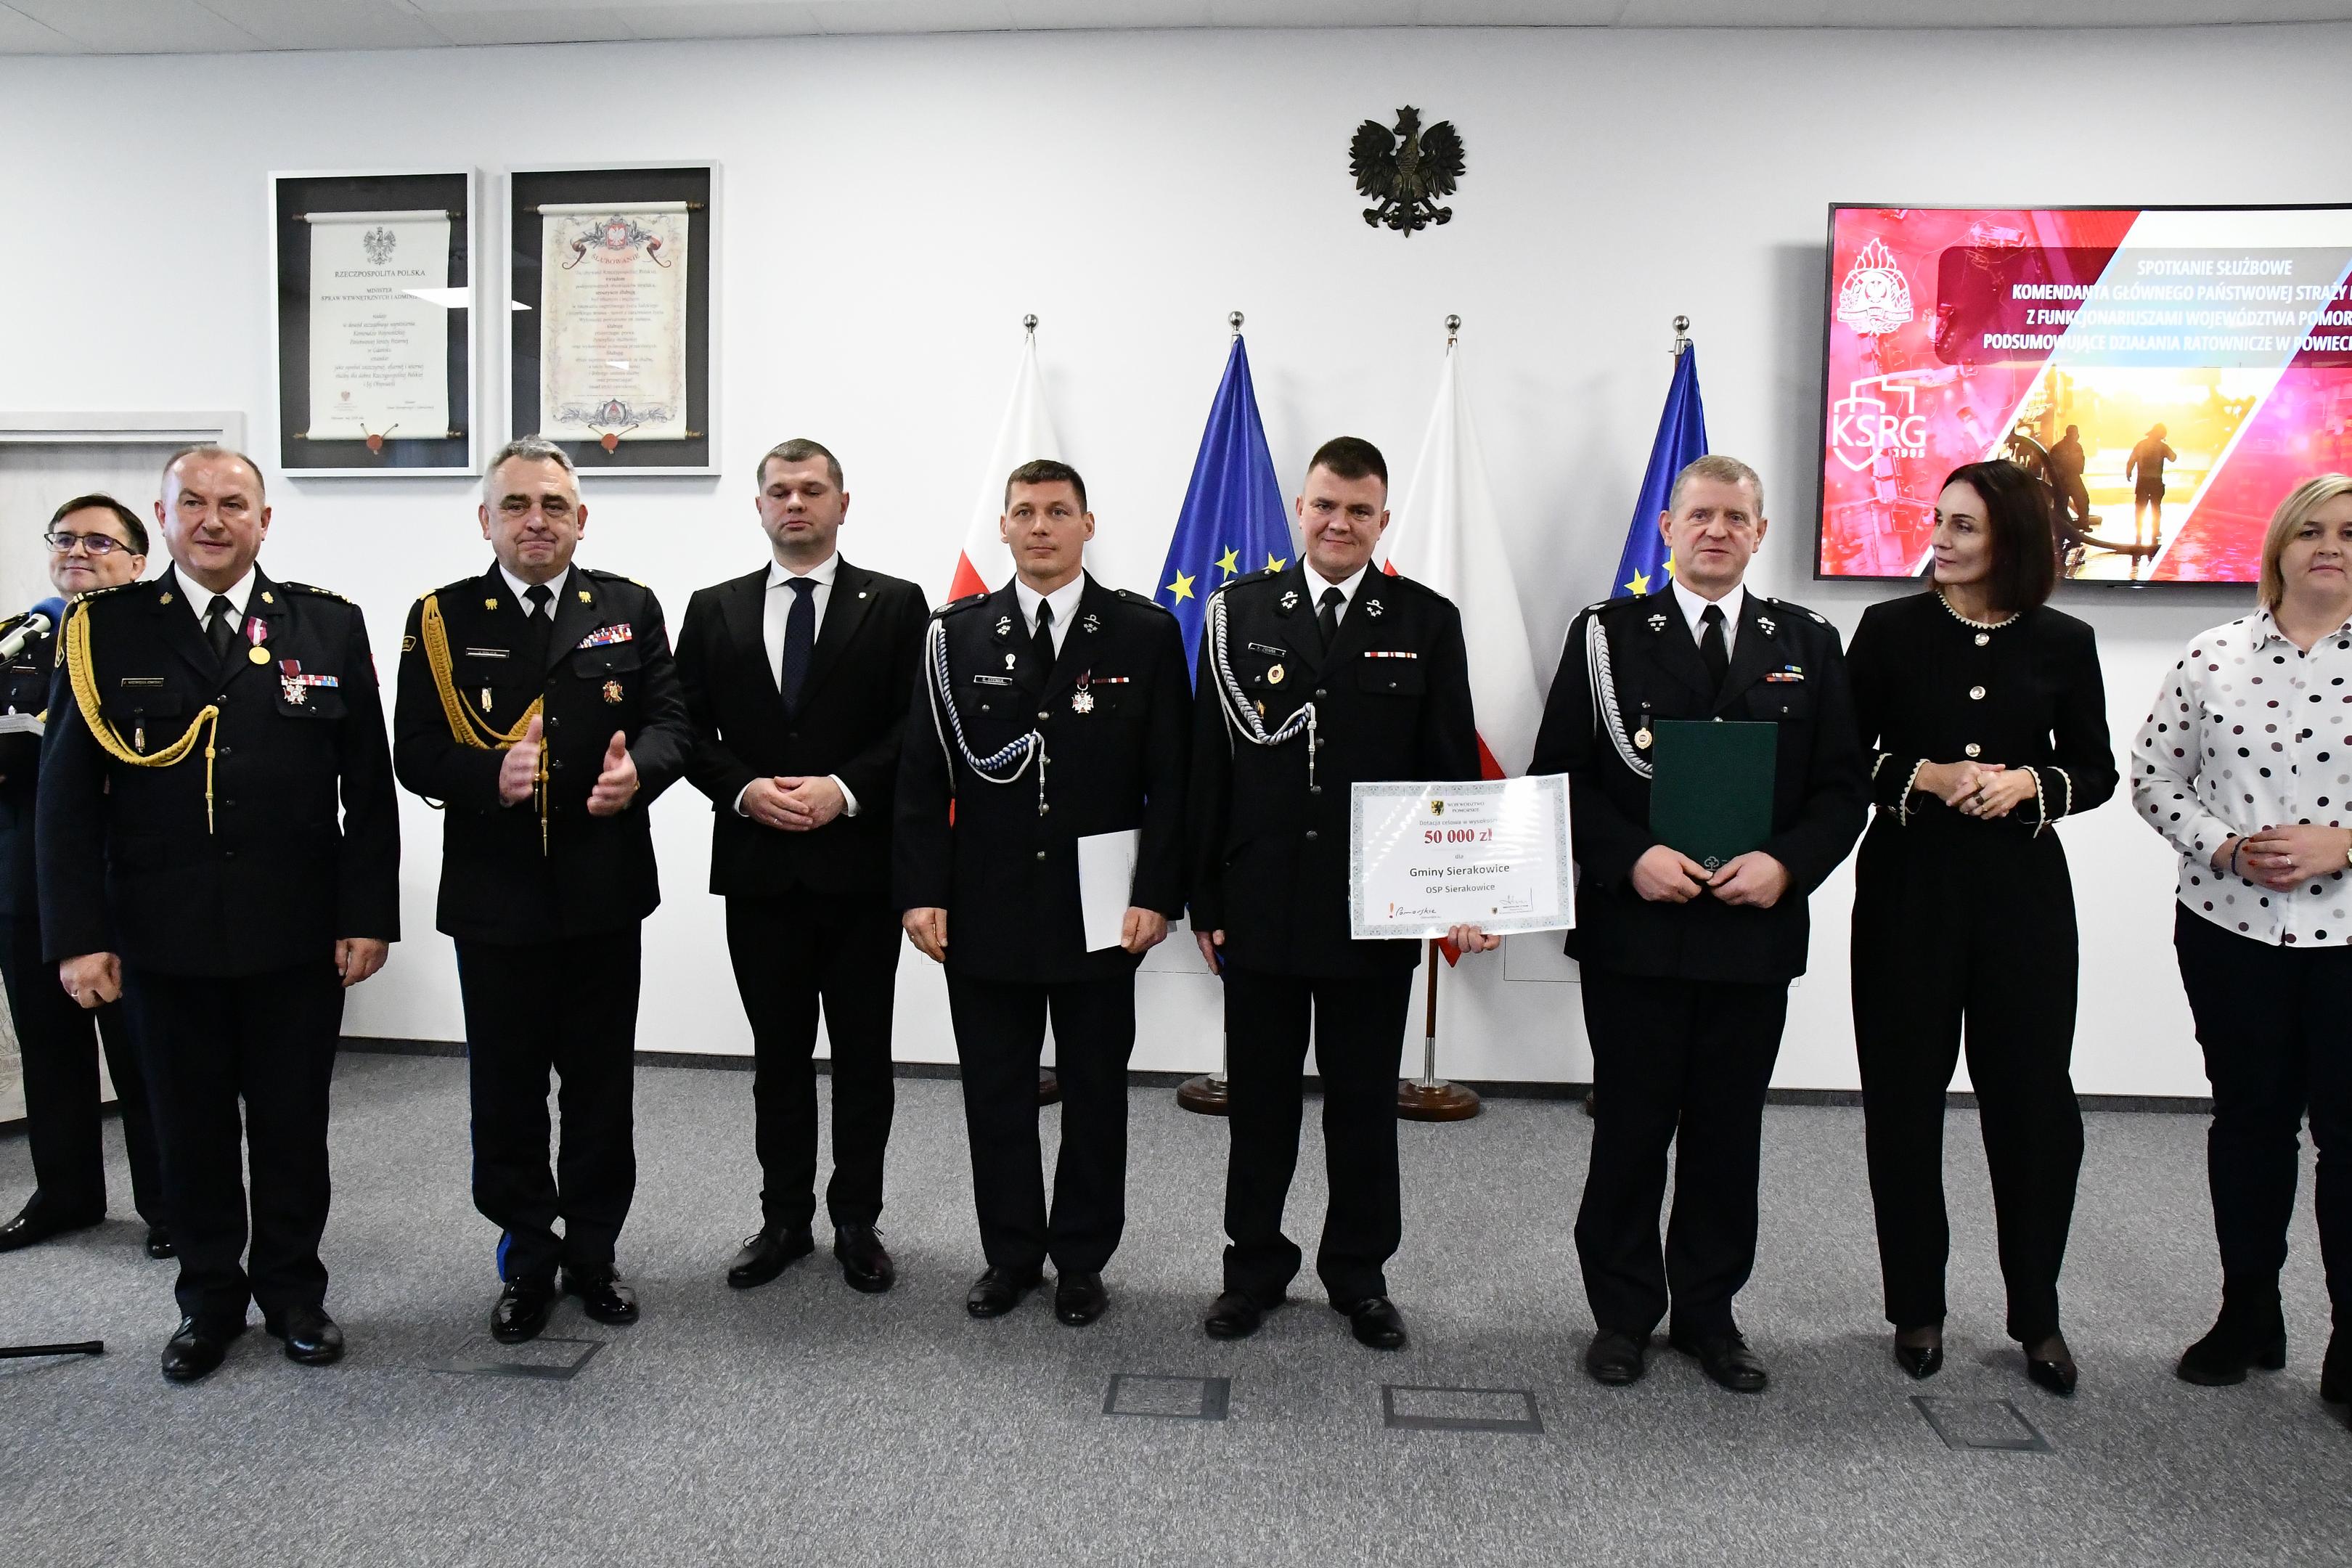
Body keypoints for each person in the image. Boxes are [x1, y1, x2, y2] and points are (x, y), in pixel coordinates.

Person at [38, 446, 399, 1383]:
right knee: (187, 1130)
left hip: (296, 931)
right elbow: (65, 801)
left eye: (233, 504)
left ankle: (294, 1295)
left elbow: (368, 789)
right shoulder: (104, 630)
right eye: (191, 503)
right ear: (162, 519)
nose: (212, 519)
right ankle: (207, 1304)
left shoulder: (325, 624)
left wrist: (369, 915)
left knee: (292, 1126)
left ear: (264, 521)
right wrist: (78, 936)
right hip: (162, 934)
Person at [1532, 453, 1866, 1393]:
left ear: (1760, 534)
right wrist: (1627, 857)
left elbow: (1842, 789)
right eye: (1701, 515)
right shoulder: (1606, 636)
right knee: (1630, 1130)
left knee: (1727, 1136)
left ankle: (1710, 1316)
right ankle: (1623, 1315)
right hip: (1635, 932)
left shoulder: (1807, 641)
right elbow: (1560, 776)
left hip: (1752, 937)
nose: (1717, 531)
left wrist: (1787, 864)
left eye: (1736, 517)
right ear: (1668, 529)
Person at [1188, 436, 1497, 1352]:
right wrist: (1205, 901)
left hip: (1377, 909)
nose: (1339, 523)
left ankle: (1359, 1276)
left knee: (1363, 1108)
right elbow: (1208, 768)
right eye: (1325, 505)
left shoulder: (1426, 620)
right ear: (1300, 508)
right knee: (1262, 1105)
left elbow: (1450, 770)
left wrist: (1462, 892)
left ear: (1382, 520)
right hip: (1262, 902)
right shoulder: (1238, 613)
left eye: (1359, 510)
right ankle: (1252, 1271)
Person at [393, 436, 692, 1345]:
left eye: (554, 505)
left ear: (581, 519)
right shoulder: (442, 618)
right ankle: (526, 1256)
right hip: (496, 902)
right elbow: (414, 751)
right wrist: (489, 776)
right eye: (517, 505)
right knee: (507, 1093)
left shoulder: (628, 608)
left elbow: (672, 722)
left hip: (603, 894)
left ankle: (594, 1253)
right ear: (486, 520)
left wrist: (638, 772)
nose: (536, 521)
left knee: (601, 1089)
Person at [895, 459, 1190, 1326]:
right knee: (997, 1091)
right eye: (1023, 512)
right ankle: (1012, 1255)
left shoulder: (1142, 632)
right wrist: (920, 891)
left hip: (1101, 907)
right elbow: (921, 777)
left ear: (1087, 526)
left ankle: (1083, 1260)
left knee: (1095, 1093)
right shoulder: (954, 637)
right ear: (1004, 527)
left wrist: (1158, 893)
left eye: (1058, 511)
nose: (1039, 527)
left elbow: (1174, 780)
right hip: (984, 903)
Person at [1846, 460, 2115, 1397]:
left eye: (1964, 525)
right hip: (1907, 893)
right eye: (1940, 520)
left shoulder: (2065, 641)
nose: (1941, 539)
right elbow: (1839, 756)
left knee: (2033, 1108)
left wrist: (2033, 785)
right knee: (1903, 1102)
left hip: (2023, 901)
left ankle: (2036, 1314)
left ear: (2012, 538)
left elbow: (2096, 771)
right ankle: (1915, 1307)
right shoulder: (1888, 629)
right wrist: (1920, 775)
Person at [676, 438, 927, 1295]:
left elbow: (917, 727)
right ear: (758, 507)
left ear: (842, 505)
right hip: (759, 871)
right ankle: (783, 1218)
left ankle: (857, 1219)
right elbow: (684, 729)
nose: (795, 503)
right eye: (780, 491)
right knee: (777, 1058)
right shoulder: (713, 609)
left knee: (862, 1056)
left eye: (812, 490)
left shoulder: (896, 604)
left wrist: (844, 790)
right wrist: (743, 790)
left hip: (859, 872)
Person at [2132, 473, 2352, 1412]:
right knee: (2250, 1123)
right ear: (2279, 548)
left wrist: (2345, 844)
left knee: (2348, 1138)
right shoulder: (2214, 656)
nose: (2329, 546)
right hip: (2231, 932)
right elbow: (2153, 777)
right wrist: (2222, 846)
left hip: (2349, 941)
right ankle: (2249, 1313)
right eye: (2311, 530)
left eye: (2349, 533)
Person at [0, 495, 168, 1258]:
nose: (77, 551)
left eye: (99, 542)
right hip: (27, 878)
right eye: (65, 539)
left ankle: (169, 1203)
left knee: (143, 1054)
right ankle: (65, 1194)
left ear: (138, 561)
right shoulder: (17, 642)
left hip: (123, 879)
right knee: (49, 1048)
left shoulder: (158, 643)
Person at [2128, 422, 2177, 547]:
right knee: (2156, 508)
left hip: (2142, 481)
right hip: (2156, 482)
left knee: (2140, 509)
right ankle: (2155, 533)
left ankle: (2139, 535)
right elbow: (2173, 458)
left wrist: (2129, 472)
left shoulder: (2141, 445)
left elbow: (2132, 460)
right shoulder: (2162, 447)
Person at [2047, 424, 2091, 542]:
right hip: (2062, 480)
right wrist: (2060, 478)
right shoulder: (2058, 448)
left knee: (2083, 499)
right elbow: (2052, 465)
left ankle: (2082, 524)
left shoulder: (2077, 447)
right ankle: (2062, 528)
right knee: (2061, 505)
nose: (2076, 436)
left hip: (2073, 478)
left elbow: (2080, 462)